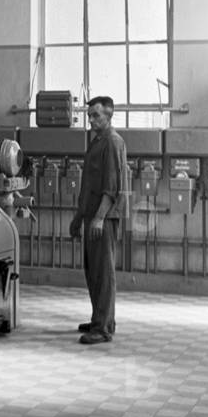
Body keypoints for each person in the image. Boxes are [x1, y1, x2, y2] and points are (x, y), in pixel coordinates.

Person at [69, 96, 127, 345]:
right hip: (92, 217)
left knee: (103, 272)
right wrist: (79, 218)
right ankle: (99, 319)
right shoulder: (97, 142)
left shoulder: (112, 142)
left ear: (109, 115)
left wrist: (99, 218)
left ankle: (103, 328)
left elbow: (111, 188)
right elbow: (89, 185)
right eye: (90, 115)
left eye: (96, 115)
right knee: (93, 270)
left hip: (103, 219)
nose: (91, 119)